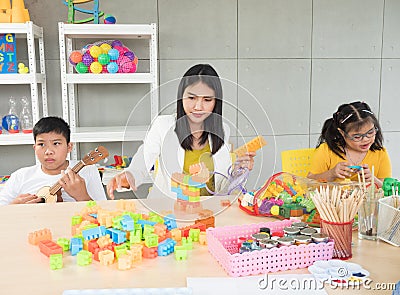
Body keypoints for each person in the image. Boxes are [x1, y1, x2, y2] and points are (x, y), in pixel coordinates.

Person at [107, 64, 256, 199]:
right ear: (181, 97)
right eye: (192, 98)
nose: (198, 106)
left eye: (207, 100)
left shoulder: (223, 130)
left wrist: (239, 170)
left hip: (208, 212)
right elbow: (144, 157)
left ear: (216, 101)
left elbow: (220, 184)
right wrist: (131, 174)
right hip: (168, 211)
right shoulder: (163, 125)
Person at [0, 116, 107, 205]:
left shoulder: (88, 171)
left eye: (56, 143)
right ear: (34, 148)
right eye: (41, 144)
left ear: (69, 147)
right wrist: (13, 206)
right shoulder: (20, 176)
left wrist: (82, 197)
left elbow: (104, 214)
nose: (48, 151)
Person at [308, 101, 391, 188]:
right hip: (332, 201)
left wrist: (373, 180)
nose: (366, 139)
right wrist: (331, 174)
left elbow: (388, 188)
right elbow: (309, 183)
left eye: (370, 132)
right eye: (357, 136)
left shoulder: (380, 153)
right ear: (342, 133)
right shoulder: (326, 150)